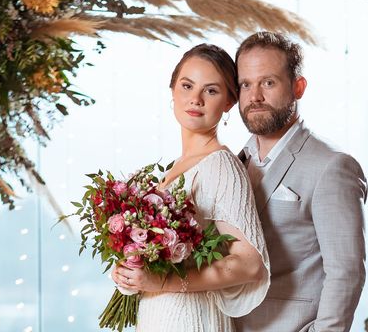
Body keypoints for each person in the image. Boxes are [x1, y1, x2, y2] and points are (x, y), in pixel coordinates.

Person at [111, 43, 270, 332]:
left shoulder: (221, 165)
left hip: (192, 320)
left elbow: (250, 264)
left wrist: (163, 281)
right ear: (172, 90)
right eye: (187, 86)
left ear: (229, 103)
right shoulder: (174, 168)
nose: (195, 99)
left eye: (211, 90)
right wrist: (133, 270)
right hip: (159, 315)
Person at [233, 32, 367, 332]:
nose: (255, 96)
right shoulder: (232, 163)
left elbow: (346, 274)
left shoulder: (333, 166)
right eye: (246, 84)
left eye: (268, 83)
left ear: (298, 87)